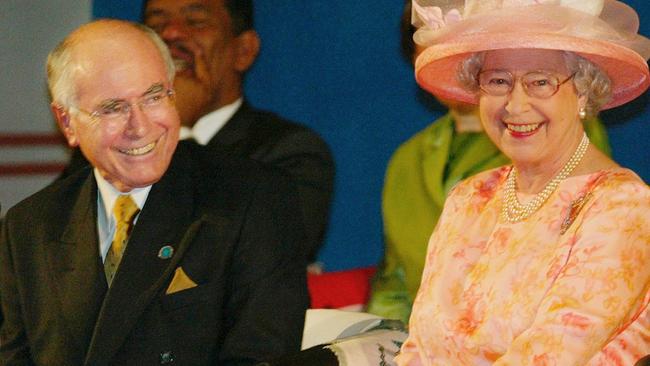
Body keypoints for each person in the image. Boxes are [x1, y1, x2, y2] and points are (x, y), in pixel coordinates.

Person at [0, 19, 309, 365]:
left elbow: (261, 356)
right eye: (113, 108)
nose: (141, 126)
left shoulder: (252, 199)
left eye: (153, 97)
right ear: (68, 122)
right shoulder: (29, 227)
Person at [395, 0, 650, 364]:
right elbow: (419, 347)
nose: (515, 105)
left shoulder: (623, 208)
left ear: (582, 90)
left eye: (540, 82)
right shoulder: (469, 197)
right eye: (498, 81)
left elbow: (553, 355)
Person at [367, 0, 612, 325]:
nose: (448, 51)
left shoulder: (550, 130)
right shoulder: (407, 159)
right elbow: (393, 285)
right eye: (430, 38)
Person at [63, 0, 335, 262]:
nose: (171, 33)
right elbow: (57, 247)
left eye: (196, 21)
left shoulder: (290, 151)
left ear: (244, 51)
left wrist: (175, 130)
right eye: (156, 25)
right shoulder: (109, 144)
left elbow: (261, 254)